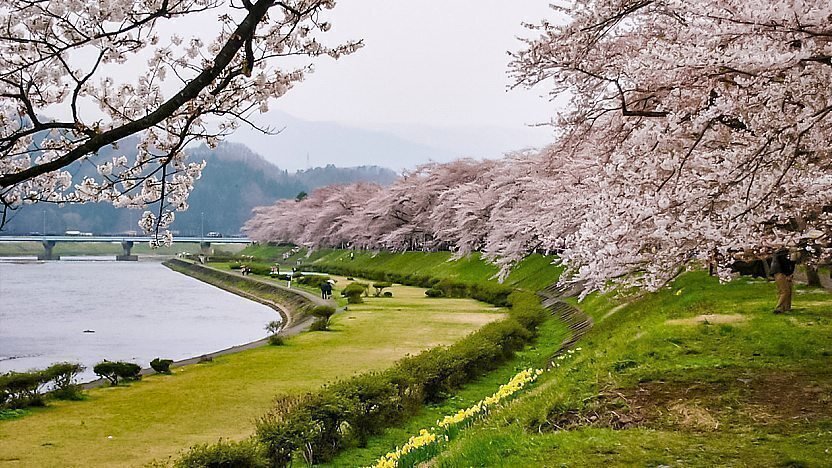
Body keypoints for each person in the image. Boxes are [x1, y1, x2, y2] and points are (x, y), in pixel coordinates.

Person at [770, 249, 795, 314]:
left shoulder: (783, 252)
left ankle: (786, 308)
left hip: (780, 271)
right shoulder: (783, 253)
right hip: (780, 272)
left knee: (788, 290)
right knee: (785, 291)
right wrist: (788, 274)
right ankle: (778, 308)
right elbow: (784, 263)